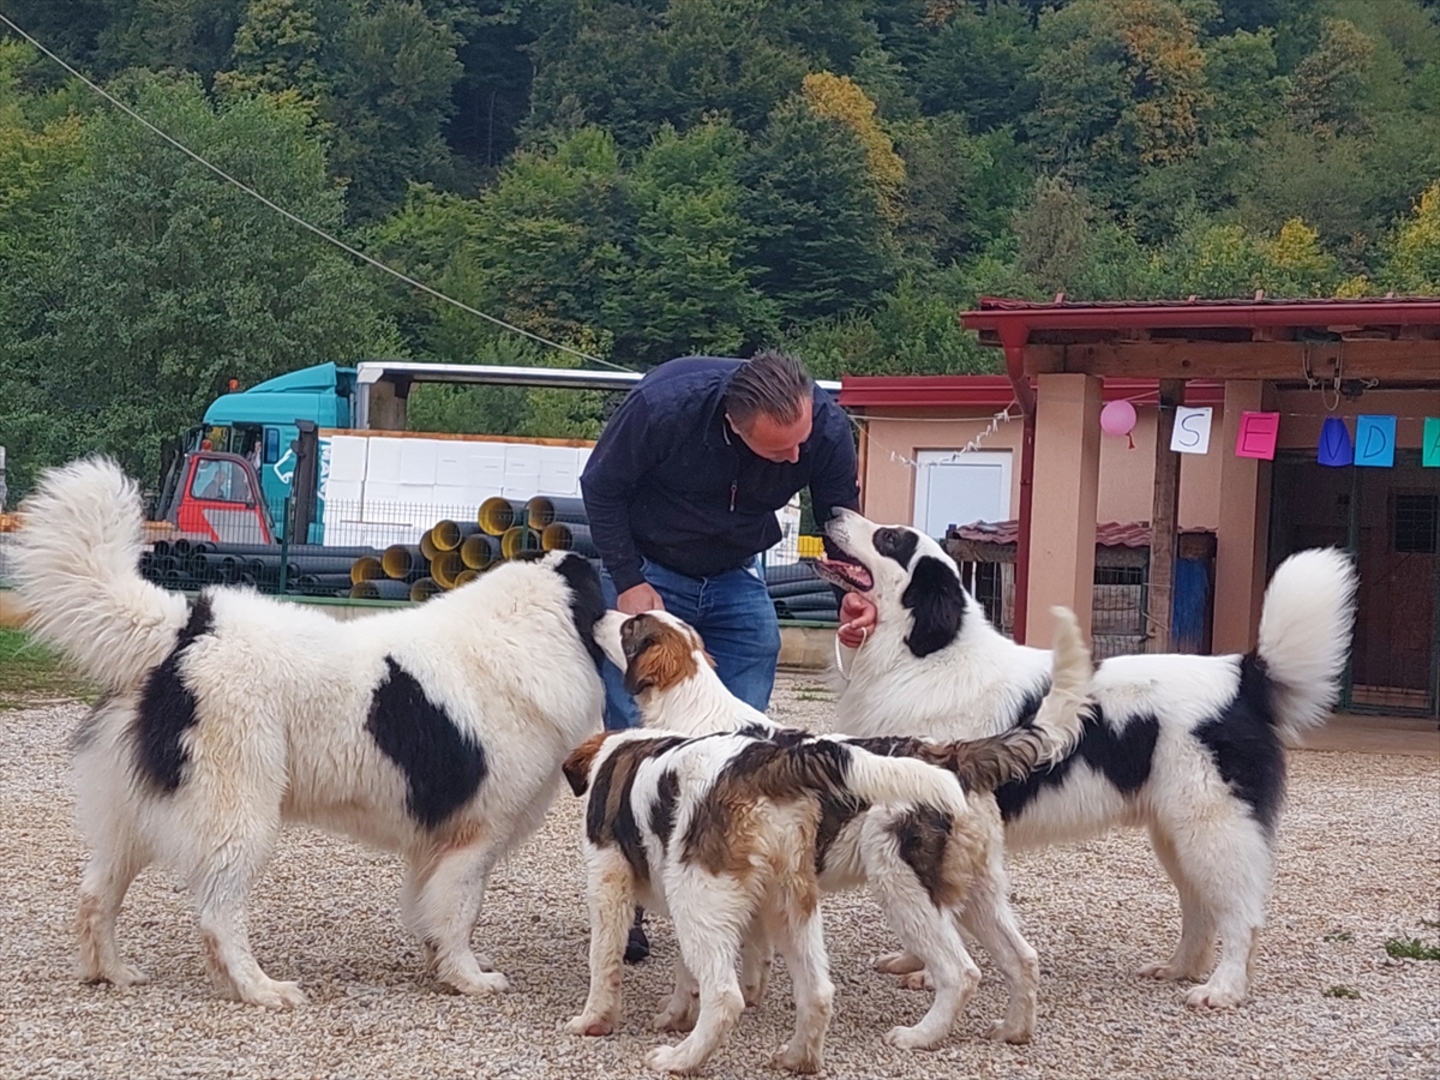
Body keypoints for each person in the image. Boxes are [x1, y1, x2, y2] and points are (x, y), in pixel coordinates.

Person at [580, 349, 877, 961]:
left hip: (738, 568)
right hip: (651, 567)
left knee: (740, 743)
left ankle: (728, 882)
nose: (796, 457)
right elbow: (601, 487)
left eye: (800, 443)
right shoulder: (664, 408)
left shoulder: (821, 427)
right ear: (735, 427)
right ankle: (630, 893)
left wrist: (854, 593)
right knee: (638, 727)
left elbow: (836, 521)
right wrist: (629, 580)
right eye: (779, 452)